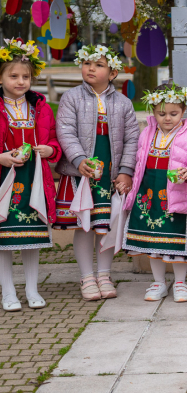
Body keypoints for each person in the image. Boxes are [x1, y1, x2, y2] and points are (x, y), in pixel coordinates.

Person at [54, 45, 137, 302]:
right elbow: (65, 131)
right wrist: (79, 160)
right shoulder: (71, 98)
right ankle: (87, 276)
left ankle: (104, 274)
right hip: (82, 172)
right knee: (85, 226)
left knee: (105, 224)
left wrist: (125, 171)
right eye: (87, 63)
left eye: (99, 65)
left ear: (112, 73)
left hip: (109, 172)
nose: (91, 68)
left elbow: (132, 139)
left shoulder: (123, 102)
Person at [121, 84, 187, 303]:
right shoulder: (147, 133)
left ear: (183, 111)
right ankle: (158, 282)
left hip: (178, 195)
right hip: (149, 193)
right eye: (162, 114)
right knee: (153, 243)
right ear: (153, 111)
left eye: (174, 113)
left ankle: (181, 284)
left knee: (176, 243)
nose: (168, 118)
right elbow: (139, 161)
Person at [0, 40, 60, 312]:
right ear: (0, 77)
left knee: (31, 237)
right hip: (4, 179)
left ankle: (32, 288)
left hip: (34, 178)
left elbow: (55, 140)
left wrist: (50, 149)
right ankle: (8, 291)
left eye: (26, 76)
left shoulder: (40, 107)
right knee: (4, 240)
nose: (20, 81)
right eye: (13, 76)